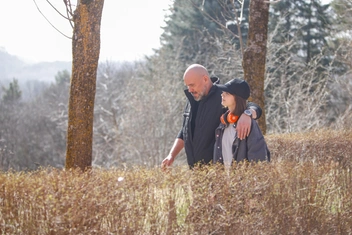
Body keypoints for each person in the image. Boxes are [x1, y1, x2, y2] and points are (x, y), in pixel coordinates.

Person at [161, 64, 262, 168]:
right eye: (187, 86)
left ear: (205, 79)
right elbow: (185, 131)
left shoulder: (223, 95)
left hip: (217, 172)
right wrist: (172, 155)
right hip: (194, 172)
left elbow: (251, 106)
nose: (190, 90)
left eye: (192, 85)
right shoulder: (192, 98)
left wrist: (247, 114)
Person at [213, 78, 270, 169]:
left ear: (237, 98)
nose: (222, 94)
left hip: (242, 181)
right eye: (223, 92)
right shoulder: (223, 123)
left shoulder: (249, 124)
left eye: (227, 93)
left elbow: (258, 159)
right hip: (225, 181)